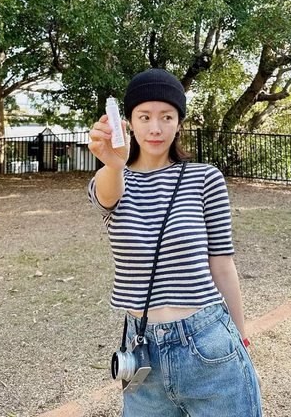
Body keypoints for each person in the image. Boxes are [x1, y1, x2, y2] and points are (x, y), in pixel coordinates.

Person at [87, 68, 263, 417]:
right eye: (145, 117)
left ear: (179, 123)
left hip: (209, 342)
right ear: (129, 123)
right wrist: (114, 164)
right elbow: (107, 196)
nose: (155, 128)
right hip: (142, 351)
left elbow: (222, 264)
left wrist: (241, 340)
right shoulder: (111, 180)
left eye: (166, 117)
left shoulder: (205, 178)